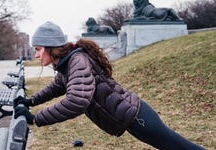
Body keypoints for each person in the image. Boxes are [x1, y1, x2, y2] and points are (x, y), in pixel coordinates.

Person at [13, 21, 205, 150]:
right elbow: (56, 87)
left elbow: (77, 101)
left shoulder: (76, 61)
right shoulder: (67, 64)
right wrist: (30, 101)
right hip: (133, 117)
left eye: (38, 49)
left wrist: (36, 118)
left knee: (180, 147)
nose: (36, 55)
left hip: (138, 117)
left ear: (50, 46)